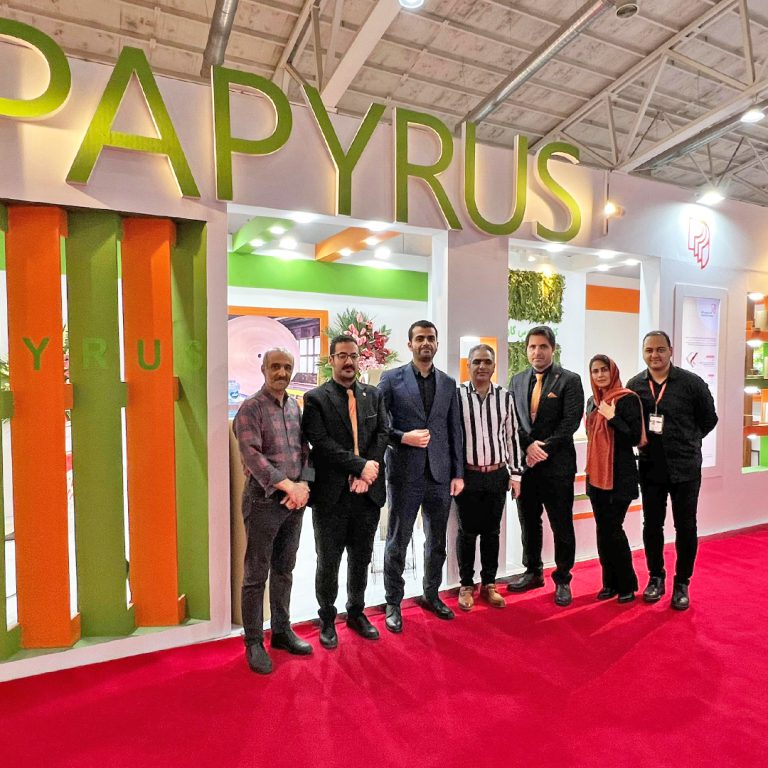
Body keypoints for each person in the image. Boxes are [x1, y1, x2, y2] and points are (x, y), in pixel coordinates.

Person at [301, 335, 390, 649]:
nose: (349, 361)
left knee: (361, 558)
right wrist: (359, 466)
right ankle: (327, 617)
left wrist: (370, 470)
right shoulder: (315, 399)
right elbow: (321, 444)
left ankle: (356, 612)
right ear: (332, 360)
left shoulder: (373, 395)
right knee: (328, 561)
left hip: (367, 494)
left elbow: (383, 433)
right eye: (342, 356)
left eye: (353, 355)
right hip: (332, 496)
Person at [378, 321, 464, 632]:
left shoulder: (448, 383)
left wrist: (458, 473)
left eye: (430, 338)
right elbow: (380, 427)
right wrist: (404, 437)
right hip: (404, 474)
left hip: (440, 475)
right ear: (410, 344)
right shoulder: (391, 379)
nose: (425, 343)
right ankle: (393, 601)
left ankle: (431, 594)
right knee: (398, 541)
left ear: (437, 344)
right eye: (419, 338)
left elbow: (455, 430)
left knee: (437, 542)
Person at [232, 347, 314, 674]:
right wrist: (289, 486)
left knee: (284, 568)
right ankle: (253, 641)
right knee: (256, 573)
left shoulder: (294, 406)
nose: (282, 373)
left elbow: (306, 450)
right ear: (263, 369)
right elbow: (252, 456)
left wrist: (304, 485)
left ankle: (281, 630)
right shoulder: (250, 408)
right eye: (275, 366)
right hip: (264, 500)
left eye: (287, 367)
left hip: (294, 501)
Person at [627, 330, 718, 610]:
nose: (654, 355)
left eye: (660, 349)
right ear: (644, 353)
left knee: (686, 526)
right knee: (652, 525)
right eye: (649, 350)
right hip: (650, 467)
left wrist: (689, 439)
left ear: (670, 350)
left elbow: (709, 419)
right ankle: (656, 577)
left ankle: (682, 583)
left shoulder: (691, 383)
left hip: (685, 467)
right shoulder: (635, 386)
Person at [507, 326, 584, 606]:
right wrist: (528, 446)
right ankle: (533, 571)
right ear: (526, 349)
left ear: (553, 349)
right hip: (526, 467)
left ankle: (563, 578)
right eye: (532, 347)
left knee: (561, 524)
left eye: (543, 346)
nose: (537, 352)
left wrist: (541, 450)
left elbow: (570, 422)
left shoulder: (570, 380)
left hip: (557, 466)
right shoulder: (517, 380)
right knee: (529, 522)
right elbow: (511, 420)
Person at [455, 344, 524, 611]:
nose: (482, 366)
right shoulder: (457, 395)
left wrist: (515, 474)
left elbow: (512, 437)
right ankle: (465, 585)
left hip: (497, 474)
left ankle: (489, 584)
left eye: (486, 362)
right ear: (468, 365)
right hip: (468, 475)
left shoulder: (505, 397)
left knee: (492, 532)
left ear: (494, 366)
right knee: (467, 532)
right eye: (476, 362)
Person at [585, 355, 645, 603]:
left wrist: (613, 417)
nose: (600, 375)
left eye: (604, 370)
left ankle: (627, 584)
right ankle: (609, 583)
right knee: (603, 530)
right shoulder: (592, 402)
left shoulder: (627, 399)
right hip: (596, 476)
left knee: (613, 529)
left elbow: (634, 438)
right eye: (595, 371)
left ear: (613, 372)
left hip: (619, 476)